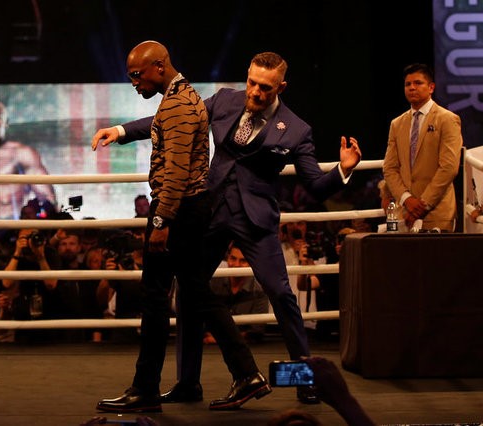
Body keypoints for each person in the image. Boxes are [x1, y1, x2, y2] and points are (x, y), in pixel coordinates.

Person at [95, 51, 362, 405]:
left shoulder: (297, 129)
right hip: (210, 212)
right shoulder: (223, 100)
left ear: (280, 86)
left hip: (256, 222)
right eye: (251, 83)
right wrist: (121, 130)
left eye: (264, 88)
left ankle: (305, 380)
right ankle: (188, 383)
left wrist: (343, 171)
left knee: (281, 295)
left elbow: (314, 184)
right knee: (191, 292)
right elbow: (175, 119)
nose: (254, 92)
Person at [91, 40, 270, 413]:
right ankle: (245, 372)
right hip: (189, 208)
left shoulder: (175, 106)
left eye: (138, 76)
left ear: (159, 67)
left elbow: (174, 172)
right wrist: (121, 131)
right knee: (195, 291)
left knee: (156, 297)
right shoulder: (185, 98)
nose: (135, 84)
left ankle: (145, 389)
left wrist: (160, 221)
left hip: (176, 209)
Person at [382, 63, 463, 232]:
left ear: (431, 87)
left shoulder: (447, 119)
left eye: (418, 83)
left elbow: (449, 167)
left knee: (439, 258)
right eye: (408, 84)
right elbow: (390, 168)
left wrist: (422, 204)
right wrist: (407, 199)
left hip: (437, 211)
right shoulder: (397, 124)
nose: (412, 88)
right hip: (404, 212)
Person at [0, 97, 57, 220]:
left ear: (6, 122)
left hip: (14, 227)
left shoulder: (21, 154)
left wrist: (36, 226)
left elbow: (48, 199)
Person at [206, 242, 269, 344]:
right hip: (209, 346)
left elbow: (257, 331)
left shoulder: (259, 289)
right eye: (233, 258)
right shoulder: (214, 281)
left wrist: (220, 338)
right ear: (227, 258)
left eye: (243, 261)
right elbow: (201, 319)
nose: (236, 265)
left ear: (251, 263)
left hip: (246, 347)